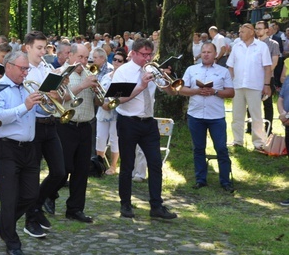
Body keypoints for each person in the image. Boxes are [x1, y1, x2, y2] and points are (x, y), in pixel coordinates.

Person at [111, 38, 177, 220]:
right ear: (133, 53)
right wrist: (141, 85)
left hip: (148, 122)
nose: (147, 58)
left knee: (155, 163)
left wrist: (166, 79)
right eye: (143, 55)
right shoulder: (123, 72)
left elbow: (171, 92)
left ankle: (156, 206)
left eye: (150, 54)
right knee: (127, 165)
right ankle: (125, 204)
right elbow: (118, 99)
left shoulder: (152, 69)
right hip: (128, 121)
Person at [0, 51, 41, 255]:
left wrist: (46, 102)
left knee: (31, 195)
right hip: (6, 147)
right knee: (9, 198)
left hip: (29, 147)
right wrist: (25, 106)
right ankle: (12, 241)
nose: (25, 72)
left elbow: (40, 113)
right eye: (22, 68)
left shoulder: (27, 87)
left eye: (27, 68)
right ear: (8, 66)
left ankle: (2, 220)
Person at [48, 43, 98, 223]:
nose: (83, 62)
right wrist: (83, 85)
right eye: (81, 57)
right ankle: (49, 195)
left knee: (82, 170)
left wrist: (96, 90)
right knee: (64, 168)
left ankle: (75, 209)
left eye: (86, 58)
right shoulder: (59, 73)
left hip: (85, 126)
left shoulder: (90, 74)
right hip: (65, 124)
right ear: (70, 55)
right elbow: (57, 98)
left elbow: (99, 102)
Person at [22, 31, 65, 237]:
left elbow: (58, 99)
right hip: (35, 125)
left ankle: (37, 205)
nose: (42, 52)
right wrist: (47, 96)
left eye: (44, 48)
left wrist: (58, 91)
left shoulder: (48, 68)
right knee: (32, 175)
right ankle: (30, 219)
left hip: (51, 123)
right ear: (27, 47)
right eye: (38, 48)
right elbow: (31, 101)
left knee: (59, 171)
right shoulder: (24, 71)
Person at [178, 42, 235, 193]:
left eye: (209, 52)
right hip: (195, 115)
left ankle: (225, 181)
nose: (206, 54)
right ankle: (200, 180)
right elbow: (181, 89)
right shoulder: (191, 69)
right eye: (203, 52)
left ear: (215, 54)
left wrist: (215, 92)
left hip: (216, 116)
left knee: (221, 148)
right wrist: (196, 91)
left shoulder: (223, 72)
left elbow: (231, 92)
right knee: (198, 148)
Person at [227, 23, 272, 150]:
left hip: (255, 85)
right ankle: (237, 140)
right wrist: (230, 83)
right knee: (237, 115)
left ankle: (259, 142)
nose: (240, 34)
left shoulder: (262, 46)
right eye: (239, 31)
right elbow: (230, 66)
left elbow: (267, 68)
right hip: (238, 85)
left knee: (256, 115)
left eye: (242, 31)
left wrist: (267, 85)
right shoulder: (236, 47)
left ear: (251, 32)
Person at [96, 49, 127, 175]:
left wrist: (111, 104)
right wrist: (102, 103)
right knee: (100, 138)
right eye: (114, 59)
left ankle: (113, 166)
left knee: (114, 139)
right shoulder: (105, 76)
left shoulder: (124, 77)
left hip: (116, 111)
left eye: (120, 60)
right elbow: (99, 92)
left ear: (124, 62)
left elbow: (124, 96)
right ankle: (99, 165)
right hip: (103, 110)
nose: (116, 62)